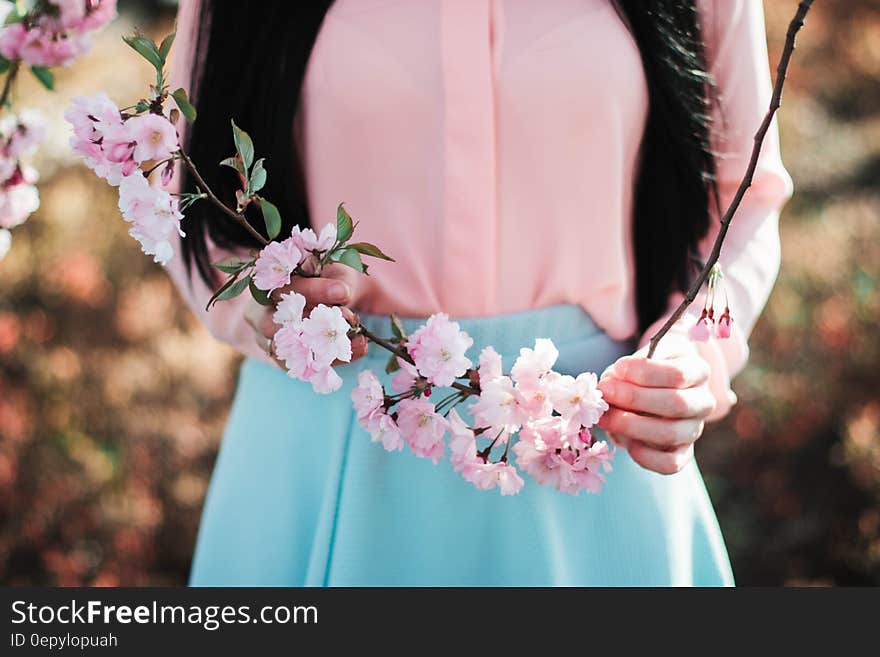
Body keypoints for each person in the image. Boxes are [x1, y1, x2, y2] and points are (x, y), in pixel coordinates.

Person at [165, 0, 793, 586]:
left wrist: (689, 353)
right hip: (326, 438)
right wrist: (259, 305)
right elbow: (183, 191)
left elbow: (744, 197)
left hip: (587, 435)